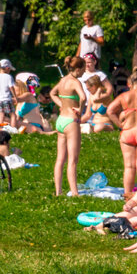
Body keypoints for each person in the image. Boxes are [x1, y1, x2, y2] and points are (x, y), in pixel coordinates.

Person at [50, 56, 87, 197]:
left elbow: (52, 93)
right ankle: (75, 192)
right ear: (78, 69)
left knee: (60, 159)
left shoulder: (62, 81)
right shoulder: (75, 82)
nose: (84, 72)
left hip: (60, 120)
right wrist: (80, 109)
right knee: (72, 159)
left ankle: (58, 191)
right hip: (71, 121)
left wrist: (61, 104)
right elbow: (83, 97)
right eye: (83, 69)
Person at [0, 58, 17, 124]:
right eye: (10, 69)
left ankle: (0, 129)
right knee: (13, 115)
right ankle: (13, 129)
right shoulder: (9, 77)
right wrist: (15, 97)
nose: (10, 70)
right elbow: (11, 87)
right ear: (7, 68)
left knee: (0, 116)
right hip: (7, 99)